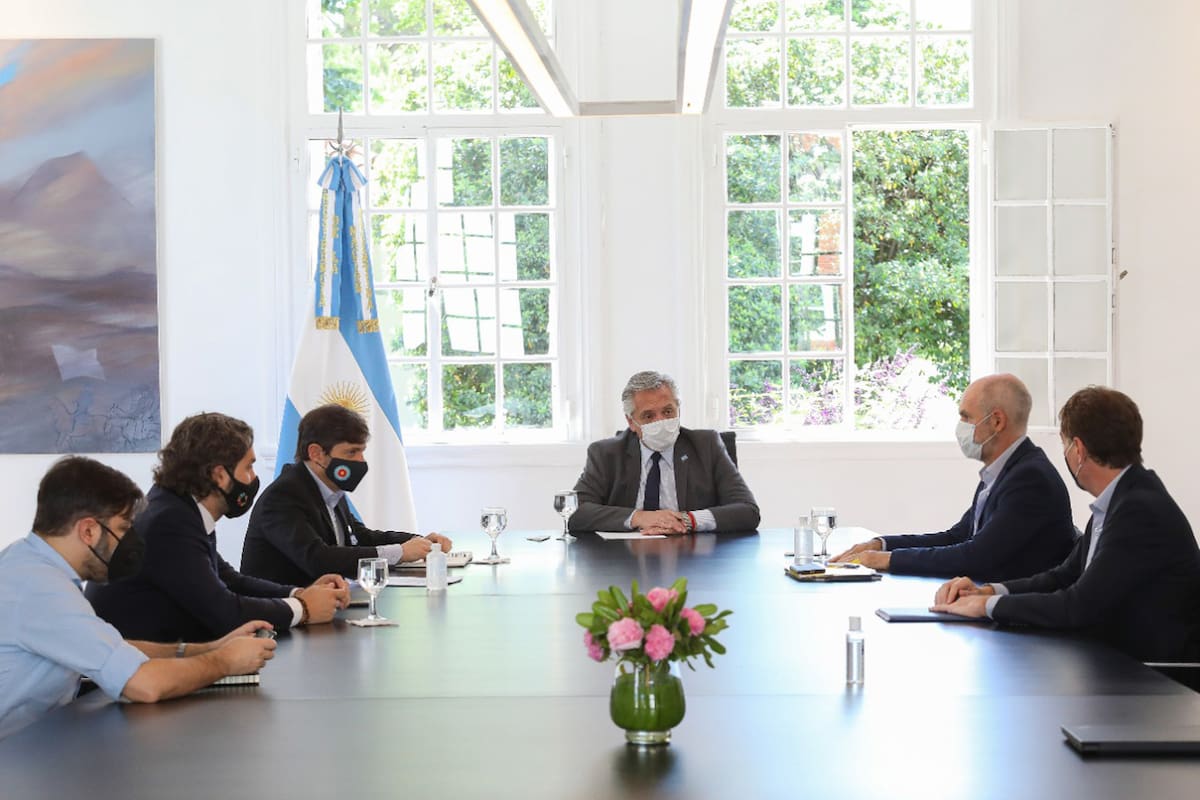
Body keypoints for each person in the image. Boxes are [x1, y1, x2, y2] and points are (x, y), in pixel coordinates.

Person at [0, 457, 276, 740]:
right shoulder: (43, 590)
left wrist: (209, 649)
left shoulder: (25, 563)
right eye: (122, 528)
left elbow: (111, 647)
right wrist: (225, 662)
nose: (129, 541)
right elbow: (145, 685)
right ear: (88, 530)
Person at [932, 387, 1200, 663]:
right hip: (1118, 663)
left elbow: (1078, 605)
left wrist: (986, 606)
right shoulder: (1120, 499)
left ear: (1079, 450)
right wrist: (989, 591)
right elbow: (1062, 576)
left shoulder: (1139, 510)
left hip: (1159, 679)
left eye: (1064, 445)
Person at [86, 413, 349, 642]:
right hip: (133, 675)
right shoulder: (169, 521)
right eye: (248, 467)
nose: (253, 479)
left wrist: (300, 592)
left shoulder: (177, 507)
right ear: (219, 475)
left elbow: (229, 580)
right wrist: (303, 608)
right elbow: (224, 611)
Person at [832, 374, 1075, 582]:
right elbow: (957, 536)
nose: (961, 426)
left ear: (997, 421)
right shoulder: (1002, 471)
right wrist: (881, 544)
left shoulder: (1030, 479)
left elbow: (976, 556)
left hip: (1020, 622)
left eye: (966, 417)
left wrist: (887, 560)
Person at [240, 404, 451, 585]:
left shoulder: (329, 488)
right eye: (351, 452)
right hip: (280, 620)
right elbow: (318, 558)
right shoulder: (284, 496)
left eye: (362, 451)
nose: (360, 461)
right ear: (316, 454)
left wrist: (419, 542)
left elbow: (360, 537)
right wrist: (400, 552)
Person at [569, 370, 759, 534]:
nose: (660, 421)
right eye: (649, 416)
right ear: (631, 422)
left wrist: (687, 520)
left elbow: (747, 511)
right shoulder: (606, 453)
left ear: (678, 409)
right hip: (627, 560)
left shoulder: (706, 445)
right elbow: (576, 511)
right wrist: (640, 518)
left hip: (694, 558)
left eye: (668, 411)